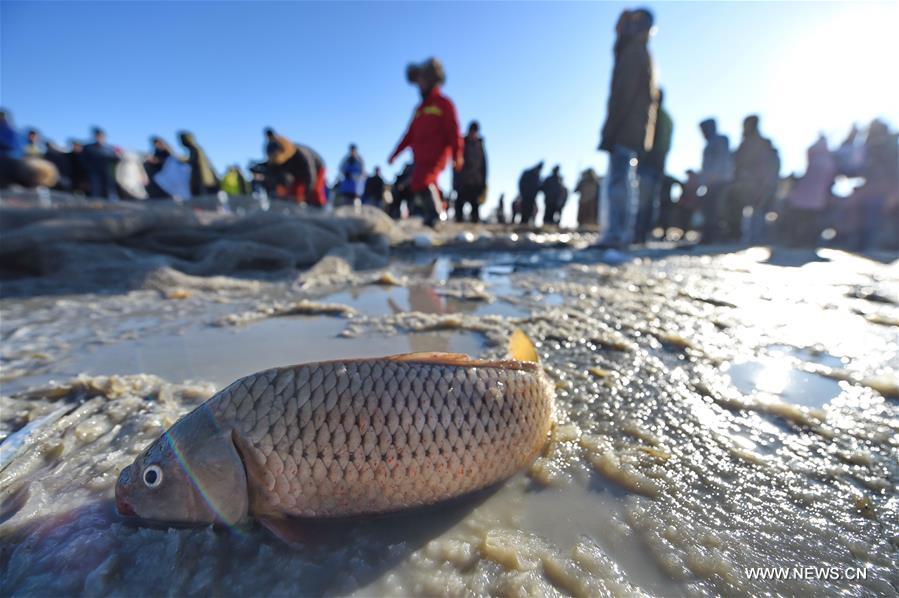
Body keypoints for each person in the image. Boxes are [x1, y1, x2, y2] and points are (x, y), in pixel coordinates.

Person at [597, 8, 659, 247]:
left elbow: (623, 96)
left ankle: (617, 233)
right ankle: (619, 232)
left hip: (626, 127)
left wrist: (611, 130)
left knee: (619, 181)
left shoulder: (634, 52)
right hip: (631, 127)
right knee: (622, 179)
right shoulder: (638, 51)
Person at [388, 57, 463, 227]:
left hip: (437, 156)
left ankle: (436, 215)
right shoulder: (419, 109)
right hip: (420, 158)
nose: (419, 85)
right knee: (420, 183)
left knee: (421, 181)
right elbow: (409, 135)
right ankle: (435, 214)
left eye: (421, 80)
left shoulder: (444, 104)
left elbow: (454, 131)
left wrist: (457, 154)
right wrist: (395, 154)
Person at [729, 115, 780, 243]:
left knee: (758, 211)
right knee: (749, 212)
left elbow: (771, 164)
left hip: (757, 184)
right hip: (746, 184)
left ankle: (755, 239)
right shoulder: (746, 144)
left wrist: (768, 183)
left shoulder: (762, 143)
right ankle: (744, 237)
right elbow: (736, 162)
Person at [852, 120, 899, 250]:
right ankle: (871, 246)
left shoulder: (884, 147)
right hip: (876, 190)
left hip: (882, 190)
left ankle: (873, 246)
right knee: (873, 220)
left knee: (876, 221)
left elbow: (893, 170)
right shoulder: (877, 146)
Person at [635, 88, 672, 243]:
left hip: (649, 162)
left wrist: (641, 158)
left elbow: (648, 140)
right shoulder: (668, 118)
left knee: (643, 201)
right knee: (651, 202)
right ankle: (643, 234)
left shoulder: (654, 114)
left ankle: (639, 235)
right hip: (660, 164)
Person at [785, 135, 835, 247]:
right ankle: (807, 242)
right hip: (817, 199)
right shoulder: (829, 161)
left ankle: (797, 242)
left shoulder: (815, 158)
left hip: (803, 197)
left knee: (799, 221)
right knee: (810, 222)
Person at [263, 128, 327, 206]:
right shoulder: (275, 156)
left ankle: (320, 207)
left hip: (317, 168)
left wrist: (307, 194)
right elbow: (274, 175)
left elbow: (310, 175)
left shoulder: (301, 155)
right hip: (297, 172)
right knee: (295, 191)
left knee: (315, 190)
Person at [698, 118, 732, 243]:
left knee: (715, 209)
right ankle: (709, 235)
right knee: (709, 209)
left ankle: (713, 236)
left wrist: (713, 177)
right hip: (711, 182)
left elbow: (721, 160)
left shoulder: (721, 140)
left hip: (719, 181)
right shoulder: (710, 143)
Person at [453, 120, 488, 223]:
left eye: (475, 131)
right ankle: (458, 223)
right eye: (472, 131)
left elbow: (484, 165)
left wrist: (483, 182)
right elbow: (456, 163)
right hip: (463, 181)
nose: (473, 134)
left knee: (475, 205)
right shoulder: (462, 143)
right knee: (459, 204)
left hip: (476, 181)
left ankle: (475, 223)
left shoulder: (480, 145)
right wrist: (455, 181)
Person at [83, 127, 120, 199]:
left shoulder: (110, 149)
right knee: (96, 190)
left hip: (108, 173)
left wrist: (118, 156)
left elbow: (116, 160)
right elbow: (84, 161)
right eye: (98, 136)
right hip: (94, 173)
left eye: (101, 136)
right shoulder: (88, 148)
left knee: (110, 190)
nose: (100, 138)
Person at [178, 131, 219, 196]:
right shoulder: (197, 148)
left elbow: (192, 160)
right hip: (207, 179)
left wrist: (180, 159)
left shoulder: (194, 149)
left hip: (201, 179)